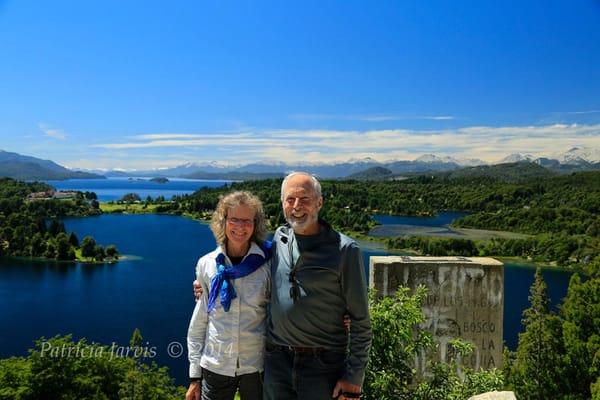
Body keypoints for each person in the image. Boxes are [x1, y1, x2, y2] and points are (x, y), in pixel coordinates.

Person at [263, 172, 372, 400]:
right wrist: (207, 280)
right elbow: (242, 257)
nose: (296, 206)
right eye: (290, 199)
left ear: (319, 203)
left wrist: (354, 377)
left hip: (322, 367)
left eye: (304, 199)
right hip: (277, 362)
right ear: (282, 203)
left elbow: (361, 320)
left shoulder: (345, 250)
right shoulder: (279, 238)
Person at [186, 191, 271, 400]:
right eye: (234, 219)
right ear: (223, 222)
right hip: (216, 366)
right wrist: (194, 376)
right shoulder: (206, 265)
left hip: (256, 367)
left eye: (247, 221)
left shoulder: (268, 263)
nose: (240, 227)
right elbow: (199, 323)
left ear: (256, 224)